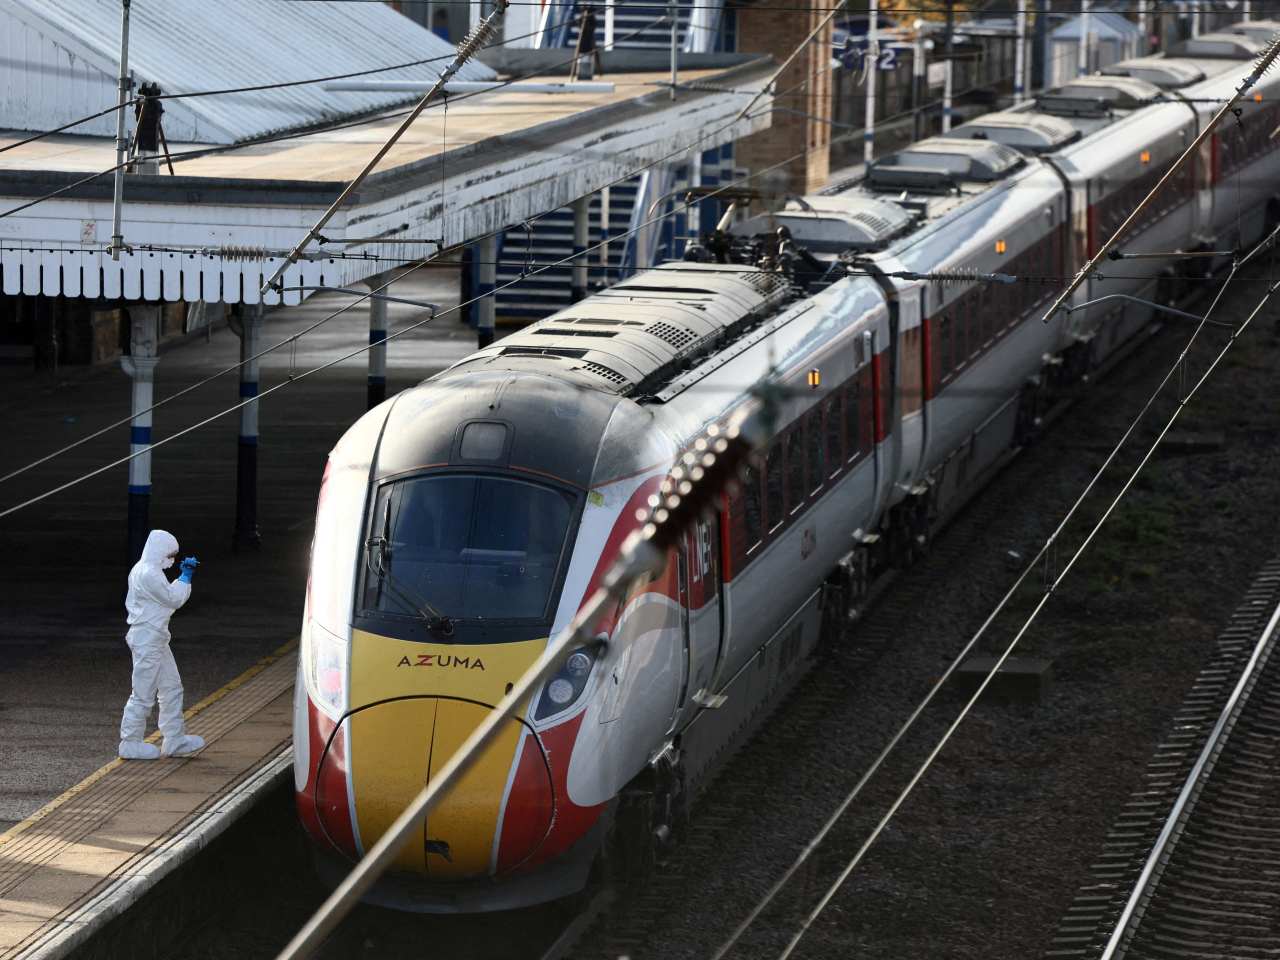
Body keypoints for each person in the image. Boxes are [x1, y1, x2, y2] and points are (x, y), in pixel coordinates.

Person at [118, 530, 206, 759]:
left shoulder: (146, 570)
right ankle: (130, 742)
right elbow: (172, 599)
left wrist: (180, 579)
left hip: (154, 638)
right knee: (143, 693)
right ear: (160, 553)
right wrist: (185, 577)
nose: (173, 559)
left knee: (172, 687)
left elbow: (165, 598)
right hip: (148, 640)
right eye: (171, 554)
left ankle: (175, 739)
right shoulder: (150, 575)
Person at [569, 7, 602, 81]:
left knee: (590, 55)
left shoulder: (592, 19)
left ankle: (590, 73)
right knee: (582, 55)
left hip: (590, 38)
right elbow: (580, 25)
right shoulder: (582, 18)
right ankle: (578, 74)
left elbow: (593, 25)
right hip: (583, 38)